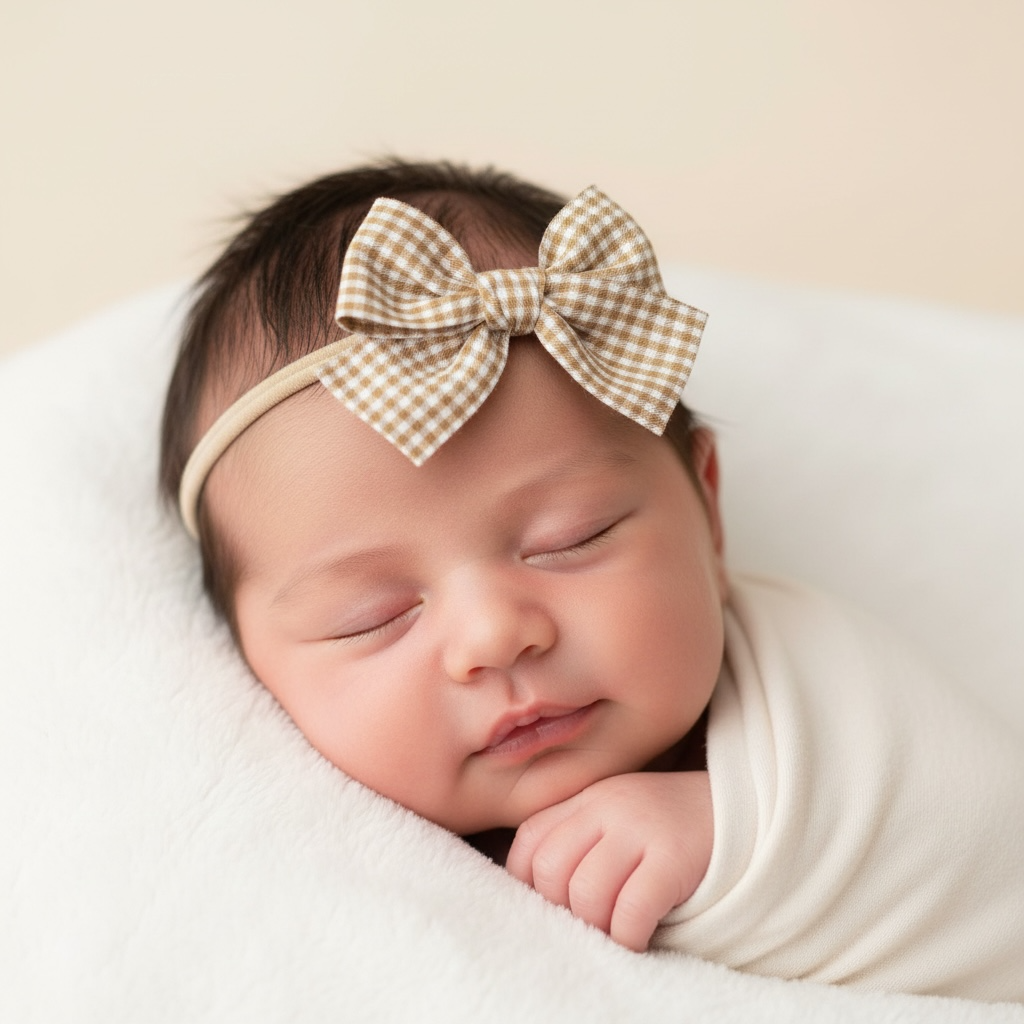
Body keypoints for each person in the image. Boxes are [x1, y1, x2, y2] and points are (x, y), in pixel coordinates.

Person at [160, 159, 1024, 1002]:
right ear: (246, 661)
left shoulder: (816, 688)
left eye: (573, 538)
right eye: (373, 616)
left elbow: (985, 837)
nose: (495, 635)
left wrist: (734, 832)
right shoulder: (310, 877)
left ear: (707, 514)